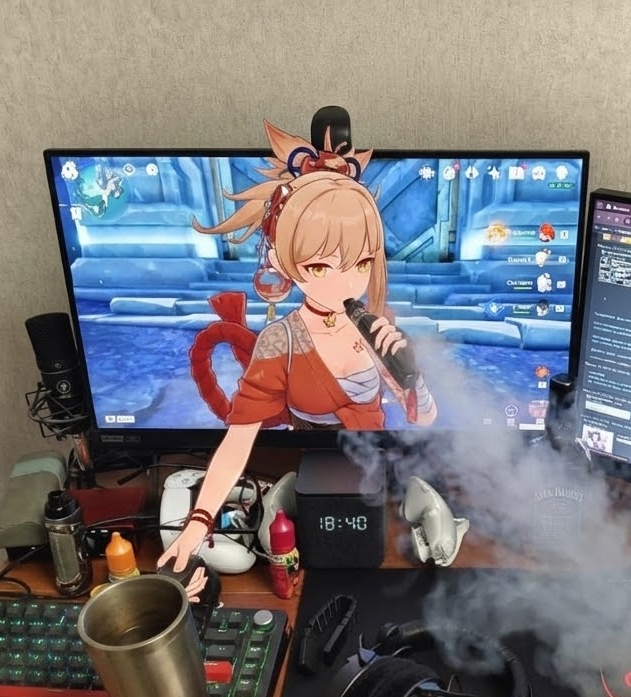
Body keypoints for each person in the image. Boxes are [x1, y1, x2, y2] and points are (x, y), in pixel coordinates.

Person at [159, 120, 437, 577]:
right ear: (284, 262)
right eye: (323, 266)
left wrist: (413, 377)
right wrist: (198, 523)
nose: (347, 282)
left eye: (362, 262)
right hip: (309, 470)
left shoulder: (378, 326)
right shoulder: (281, 340)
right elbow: (238, 441)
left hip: (380, 477)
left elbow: (424, 418)